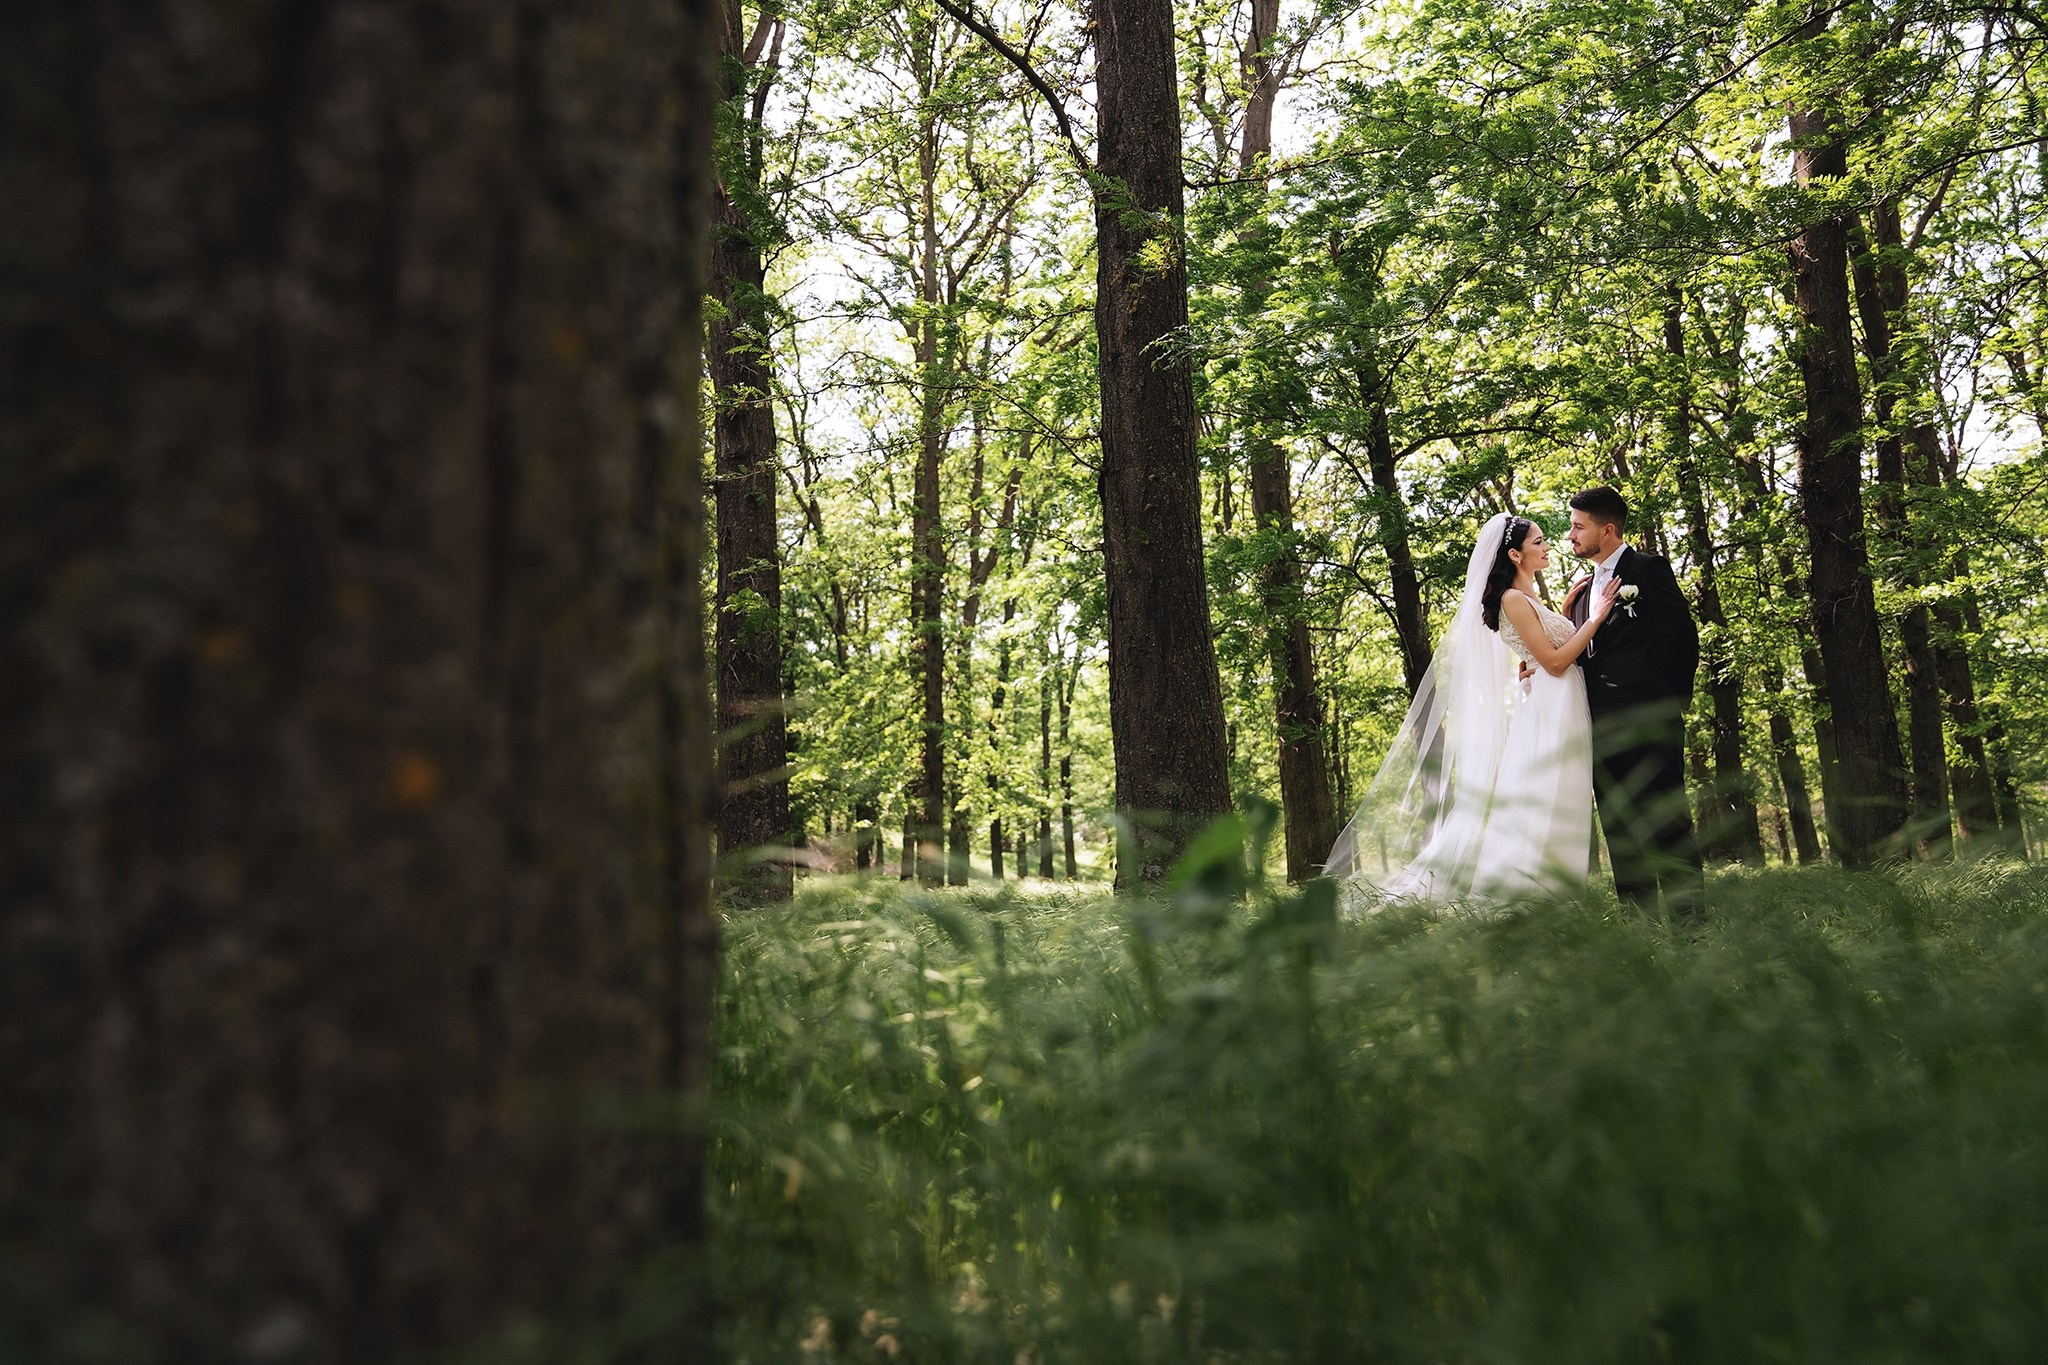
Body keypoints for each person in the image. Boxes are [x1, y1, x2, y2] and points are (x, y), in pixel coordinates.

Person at [1325, 511, 1617, 906]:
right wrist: (1596, 616)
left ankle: (1557, 895)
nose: (1548, 546)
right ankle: (1534, 898)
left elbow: (1539, 652)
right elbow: (1555, 661)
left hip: (1560, 700)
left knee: (1562, 795)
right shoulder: (1512, 598)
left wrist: (1565, 615)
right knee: (1553, 796)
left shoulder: (1526, 597)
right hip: (1554, 704)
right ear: (1514, 555)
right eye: (1538, 542)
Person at [1563, 485, 1705, 914]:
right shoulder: (1583, 590)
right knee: (1619, 827)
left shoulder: (1647, 569)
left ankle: (1691, 928)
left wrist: (1667, 705)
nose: (1570, 535)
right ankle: (1640, 930)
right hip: (1598, 726)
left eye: (1577, 527)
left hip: (1649, 721)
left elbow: (1681, 639)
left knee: (1667, 823)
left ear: (1607, 530)